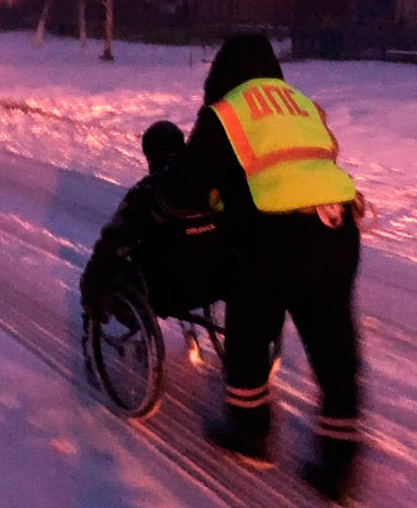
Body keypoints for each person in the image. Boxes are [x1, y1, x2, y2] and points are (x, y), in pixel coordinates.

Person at [179, 34, 363, 503]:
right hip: (338, 225)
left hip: (277, 239)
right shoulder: (301, 104)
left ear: (221, 72)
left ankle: (250, 430)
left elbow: (189, 187)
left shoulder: (226, 111)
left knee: (248, 331)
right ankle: (340, 463)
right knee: (333, 344)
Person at [79, 120, 233, 325]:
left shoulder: (148, 191)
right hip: (219, 280)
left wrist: (91, 287)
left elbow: (113, 243)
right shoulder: (214, 184)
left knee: (115, 271)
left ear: (149, 155)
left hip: (166, 292)